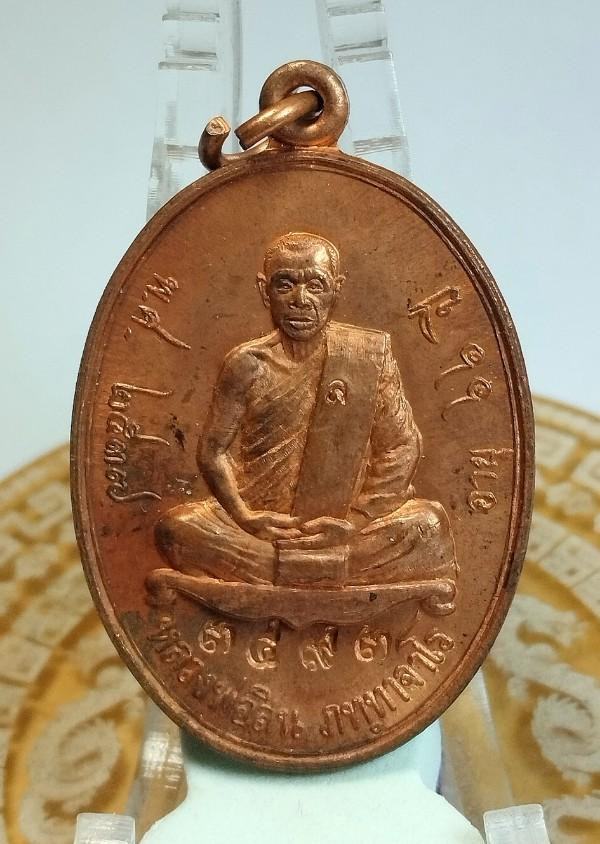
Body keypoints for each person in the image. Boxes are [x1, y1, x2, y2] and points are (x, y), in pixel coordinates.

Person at [155, 232, 456, 588]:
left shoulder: (366, 356)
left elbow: (402, 446)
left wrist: (355, 522)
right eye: (285, 285)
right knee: (177, 530)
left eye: (316, 285)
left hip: (343, 531)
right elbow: (212, 451)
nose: (301, 300)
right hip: (261, 532)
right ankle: (321, 573)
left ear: (336, 289)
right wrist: (244, 516)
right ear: (264, 290)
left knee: (429, 524)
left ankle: (282, 574)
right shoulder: (247, 364)